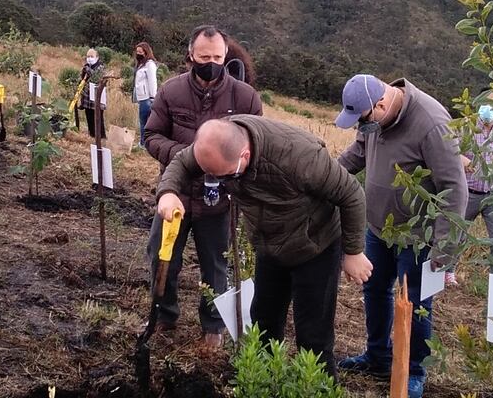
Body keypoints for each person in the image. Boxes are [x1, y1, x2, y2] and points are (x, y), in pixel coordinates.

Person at [155, 117, 371, 374]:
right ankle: (263, 382)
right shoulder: (216, 142)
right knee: (263, 323)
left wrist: (354, 251)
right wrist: (168, 192)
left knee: (313, 334)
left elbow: (352, 194)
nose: (219, 181)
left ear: (244, 156)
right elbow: (182, 162)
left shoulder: (300, 156)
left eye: (225, 176)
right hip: (269, 244)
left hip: (315, 245)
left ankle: (319, 387)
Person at [333, 74, 468, 398]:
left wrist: (444, 247)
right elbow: (356, 154)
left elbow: (455, 187)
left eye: (364, 120)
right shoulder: (374, 119)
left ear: (381, 104)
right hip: (379, 228)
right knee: (374, 289)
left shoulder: (431, 124)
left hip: (419, 237)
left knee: (415, 302)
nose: (362, 127)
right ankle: (377, 356)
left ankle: (413, 370)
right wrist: (325, 176)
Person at [143, 25, 262, 348]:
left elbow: (255, 145)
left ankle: (213, 325)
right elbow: (151, 135)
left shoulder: (245, 97)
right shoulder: (171, 91)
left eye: (217, 58)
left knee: (216, 265)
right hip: (176, 193)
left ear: (226, 56)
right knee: (161, 256)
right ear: (191, 56)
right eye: (204, 57)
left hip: (220, 198)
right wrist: (186, 156)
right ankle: (163, 315)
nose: (211, 63)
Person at [446, 103, 493, 285]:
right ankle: (447, 272)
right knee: (456, 234)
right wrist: (464, 161)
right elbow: (449, 150)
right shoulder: (466, 127)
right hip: (468, 190)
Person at [132, 42, 159, 146]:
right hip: (141, 97)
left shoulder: (150, 64)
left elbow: (152, 81)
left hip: (147, 98)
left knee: (144, 122)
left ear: (146, 52)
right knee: (142, 121)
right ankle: (144, 142)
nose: (138, 54)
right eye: (137, 51)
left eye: (140, 52)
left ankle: (144, 143)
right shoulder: (141, 64)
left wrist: (153, 97)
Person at [78, 48, 106, 139]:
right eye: (88, 56)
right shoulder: (86, 66)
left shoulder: (101, 67)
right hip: (87, 98)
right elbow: (82, 79)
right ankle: (92, 135)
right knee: (89, 116)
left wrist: (88, 70)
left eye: (91, 56)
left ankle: (101, 137)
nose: (89, 58)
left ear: (97, 57)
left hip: (97, 97)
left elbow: (96, 78)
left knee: (98, 118)